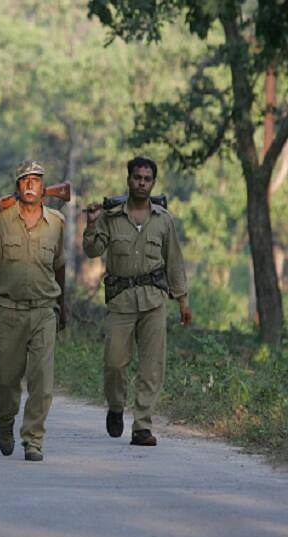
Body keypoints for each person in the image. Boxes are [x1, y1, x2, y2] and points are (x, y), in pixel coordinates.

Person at [83, 156, 191, 447]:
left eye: (147, 179)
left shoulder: (163, 220)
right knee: (115, 363)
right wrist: (92, 224)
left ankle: (142, 425)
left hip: (154, 299)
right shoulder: (111, 217)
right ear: (128, 180)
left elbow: (175, 262)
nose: (141, 183)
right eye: (137, 178)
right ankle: (116, 406)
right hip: (121, 300)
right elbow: (92, 250)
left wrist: (182, 299)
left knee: (152, 366)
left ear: (153, 183)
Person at [0, 160, 66, 462]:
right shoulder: (0, 220)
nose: (31, 185)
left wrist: (65, 305)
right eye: (25, 181)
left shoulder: (57, 222)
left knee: (42, 382)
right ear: (18, 186)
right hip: (9, 311)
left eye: (36, 180)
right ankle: (5, 422)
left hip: (44, 310)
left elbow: (59, 266)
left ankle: (33, 440)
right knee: (7, 380)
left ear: (44, 186)